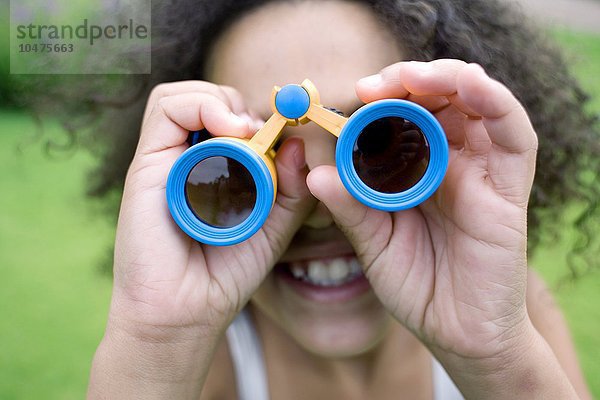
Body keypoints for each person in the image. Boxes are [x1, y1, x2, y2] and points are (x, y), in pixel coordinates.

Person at [84, 0, 598, 398]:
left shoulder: (509, 315)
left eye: (374, 144)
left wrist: (494, 355)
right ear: (186, 160)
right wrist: (157, 345)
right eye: (241, 168)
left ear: (450, 137)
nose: (321, 213)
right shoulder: (201, 364)